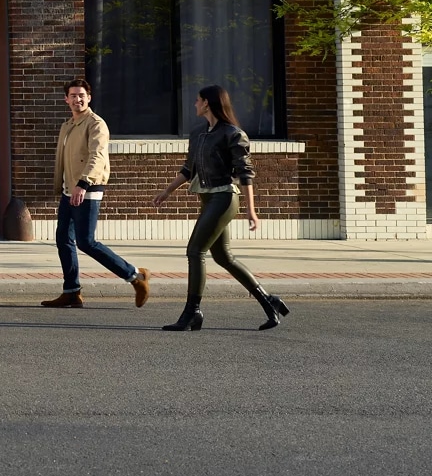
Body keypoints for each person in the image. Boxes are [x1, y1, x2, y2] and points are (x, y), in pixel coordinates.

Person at [151, 84, 290, 331]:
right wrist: (167, 191)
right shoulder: (198, 133)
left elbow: (245, 173)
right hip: (208, 199)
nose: (195, 104)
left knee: (195, 251)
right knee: (223, 257)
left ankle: (192, 312)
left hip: (224, 199)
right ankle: (269, 301)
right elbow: (188, 169)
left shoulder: (233, 134)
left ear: (207, 103)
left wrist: (251, 210)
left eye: (198, 100)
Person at [41, 78, 151, 309]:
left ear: (89, 98)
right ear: (66, 99)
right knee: (63, 239)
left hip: (87, 189)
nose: (77, 99)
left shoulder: (96, 124)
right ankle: (72, 292)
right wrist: (64, 186)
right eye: (73, 95)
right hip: (69, 190)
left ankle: (135, 276)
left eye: (81, 95)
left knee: (86, 242)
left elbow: (97, 156)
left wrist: (83, 184)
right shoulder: (67, 125)